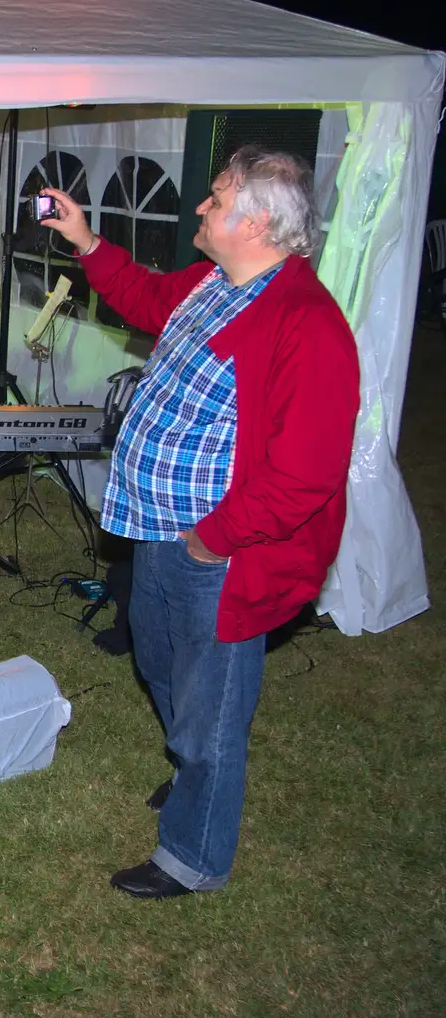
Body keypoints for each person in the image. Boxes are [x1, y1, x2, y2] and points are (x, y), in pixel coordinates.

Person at [39, 145, 358, 898]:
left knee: (213, 707)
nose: (201, 211)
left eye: (215, 201)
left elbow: (304, 475)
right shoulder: (215, 282)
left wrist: (213, 538)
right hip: (160, 526)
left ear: (254, 221)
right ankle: (191, 771)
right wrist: (86, 242)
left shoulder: (307, 325)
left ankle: (195, 853)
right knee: (158, 658)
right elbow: (147, 299)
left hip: (223, 550)